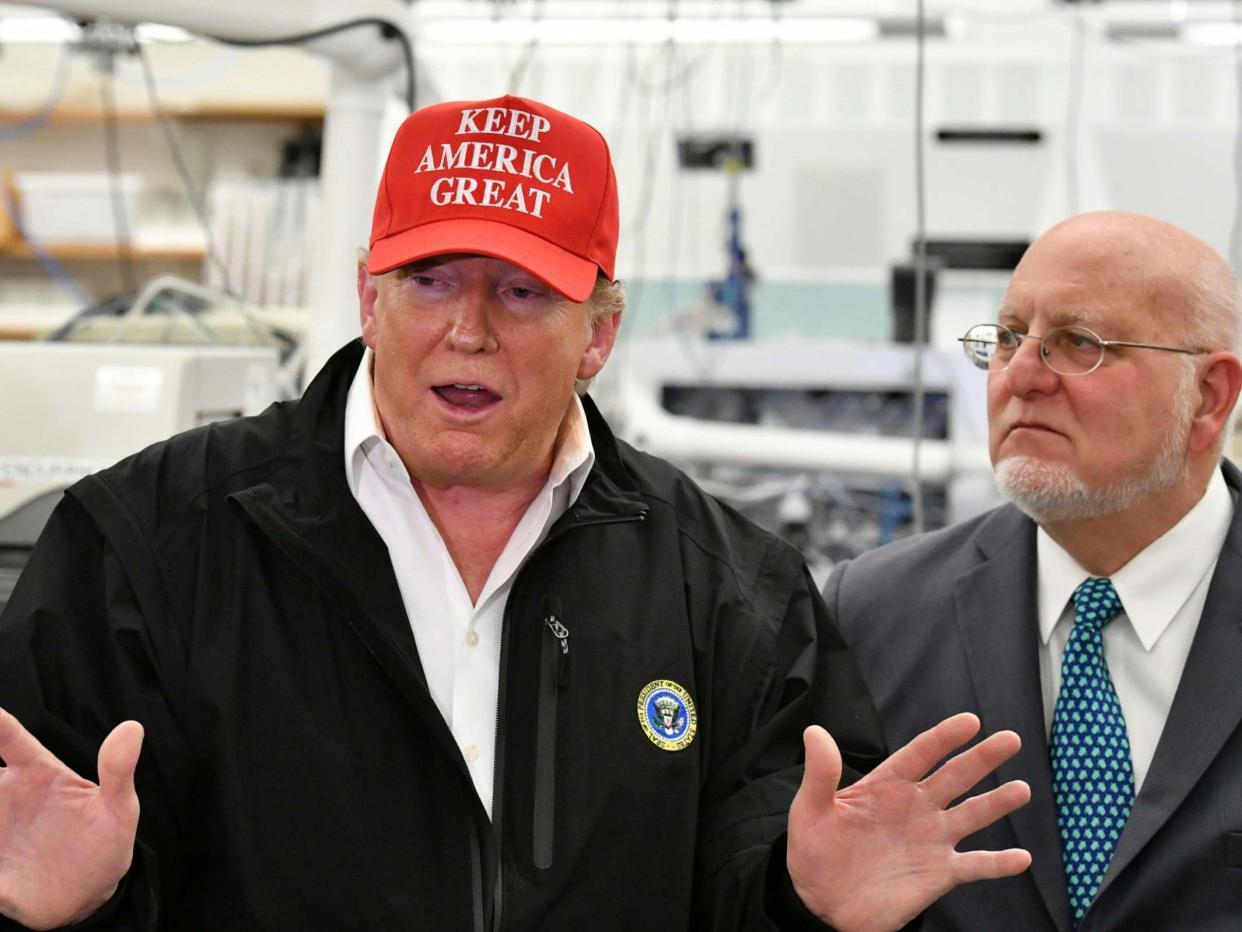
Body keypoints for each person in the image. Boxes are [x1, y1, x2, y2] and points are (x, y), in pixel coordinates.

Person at [0, 95, 1030, 932]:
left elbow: (758, 878)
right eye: (430, 278)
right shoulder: (146, 544)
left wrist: (800, 903)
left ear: (599, 332)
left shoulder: (730, 593)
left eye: (524, 292)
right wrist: (65, 909)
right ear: (369, 299)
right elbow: (49, 848)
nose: (468, 329)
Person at [830, 211, 1242, 931]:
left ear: (1208, 398)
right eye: (1009, 338)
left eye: (1077, 343)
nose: (1020, 376)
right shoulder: (872, 614)